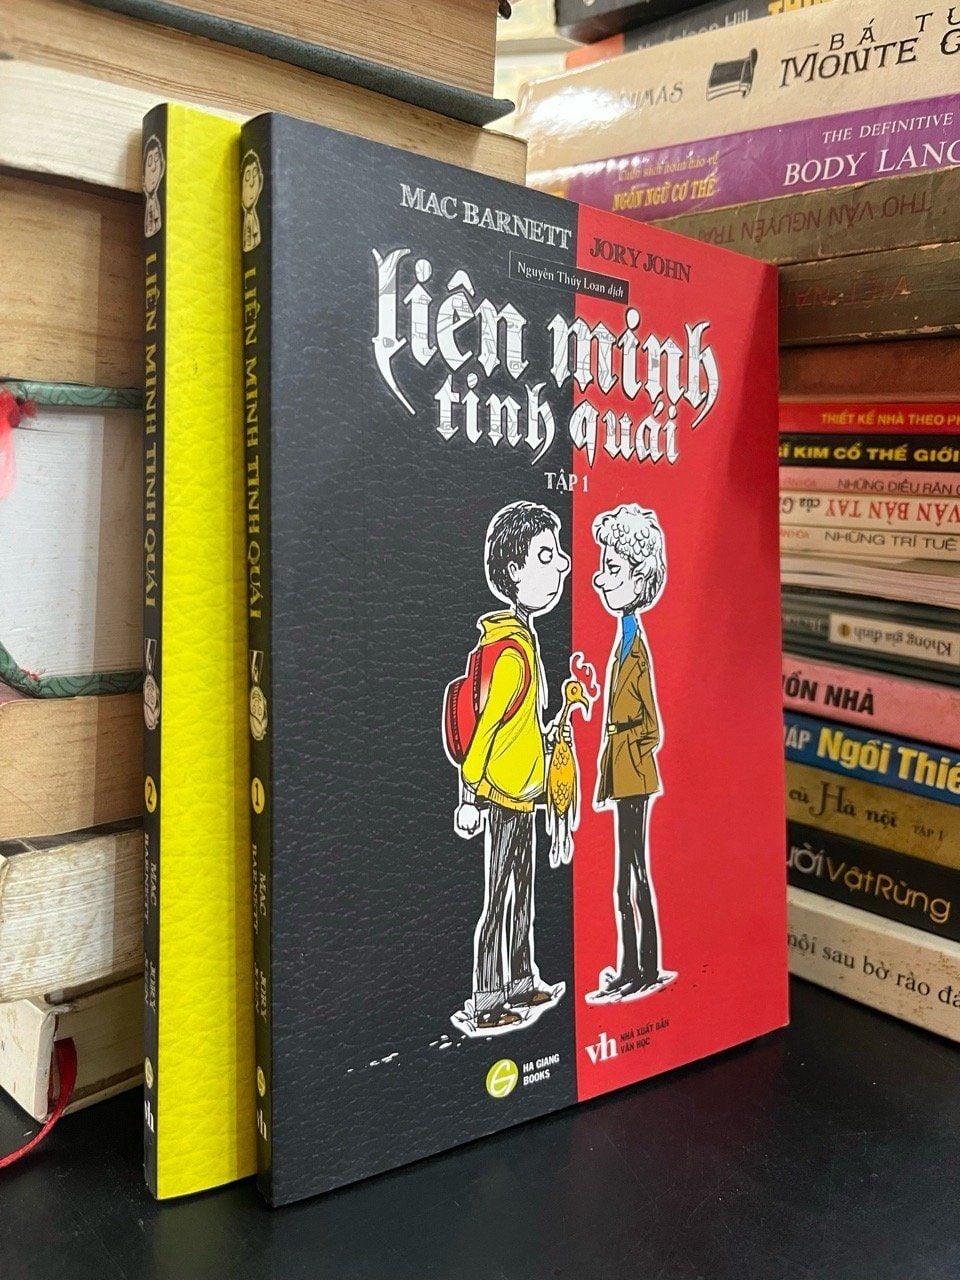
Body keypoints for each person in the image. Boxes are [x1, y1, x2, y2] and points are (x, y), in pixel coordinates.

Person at [454, 501, 570, 1031]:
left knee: (523, 892)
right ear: (513, 572)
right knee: (499, 897)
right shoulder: (510, 654)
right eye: (546, 555)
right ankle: (485, 998)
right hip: (501, 797)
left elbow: (523, 728)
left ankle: (521, 980)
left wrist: (557, 725)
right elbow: (483, 735)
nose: (562, 564)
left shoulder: (526, 641)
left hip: (525, 795)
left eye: (558, 552)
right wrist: (470, 798)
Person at [589, 504, 669, 1002]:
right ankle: (630, 968)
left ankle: (645, 968)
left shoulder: (636, 648)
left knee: (635, 873)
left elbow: (653, 726)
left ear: (639, 579)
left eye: (613, 568)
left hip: (634, 774)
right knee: (624, 877)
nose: (601, 579)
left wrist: (627, 746)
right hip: (621, 772)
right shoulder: (623, 642)